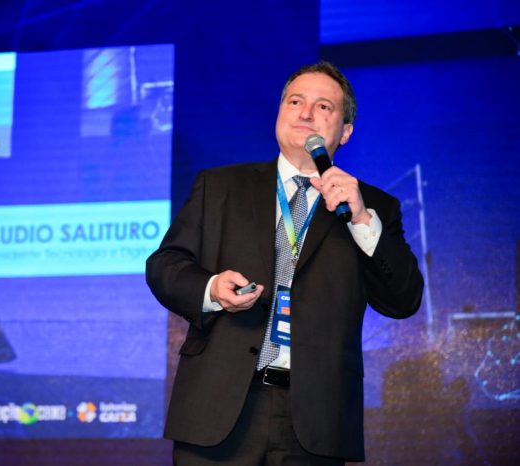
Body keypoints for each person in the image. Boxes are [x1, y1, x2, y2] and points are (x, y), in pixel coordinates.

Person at [146, 62, 424, 465]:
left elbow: (404, 299)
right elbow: (165, 265)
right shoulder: (220, 187)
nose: (306, 113)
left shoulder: (373, 207)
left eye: (323, 106)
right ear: (279, 113)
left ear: (346, 131)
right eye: (295, 101)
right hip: (217, 409)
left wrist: (362, 220)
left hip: (315, 420)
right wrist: (211, 290)